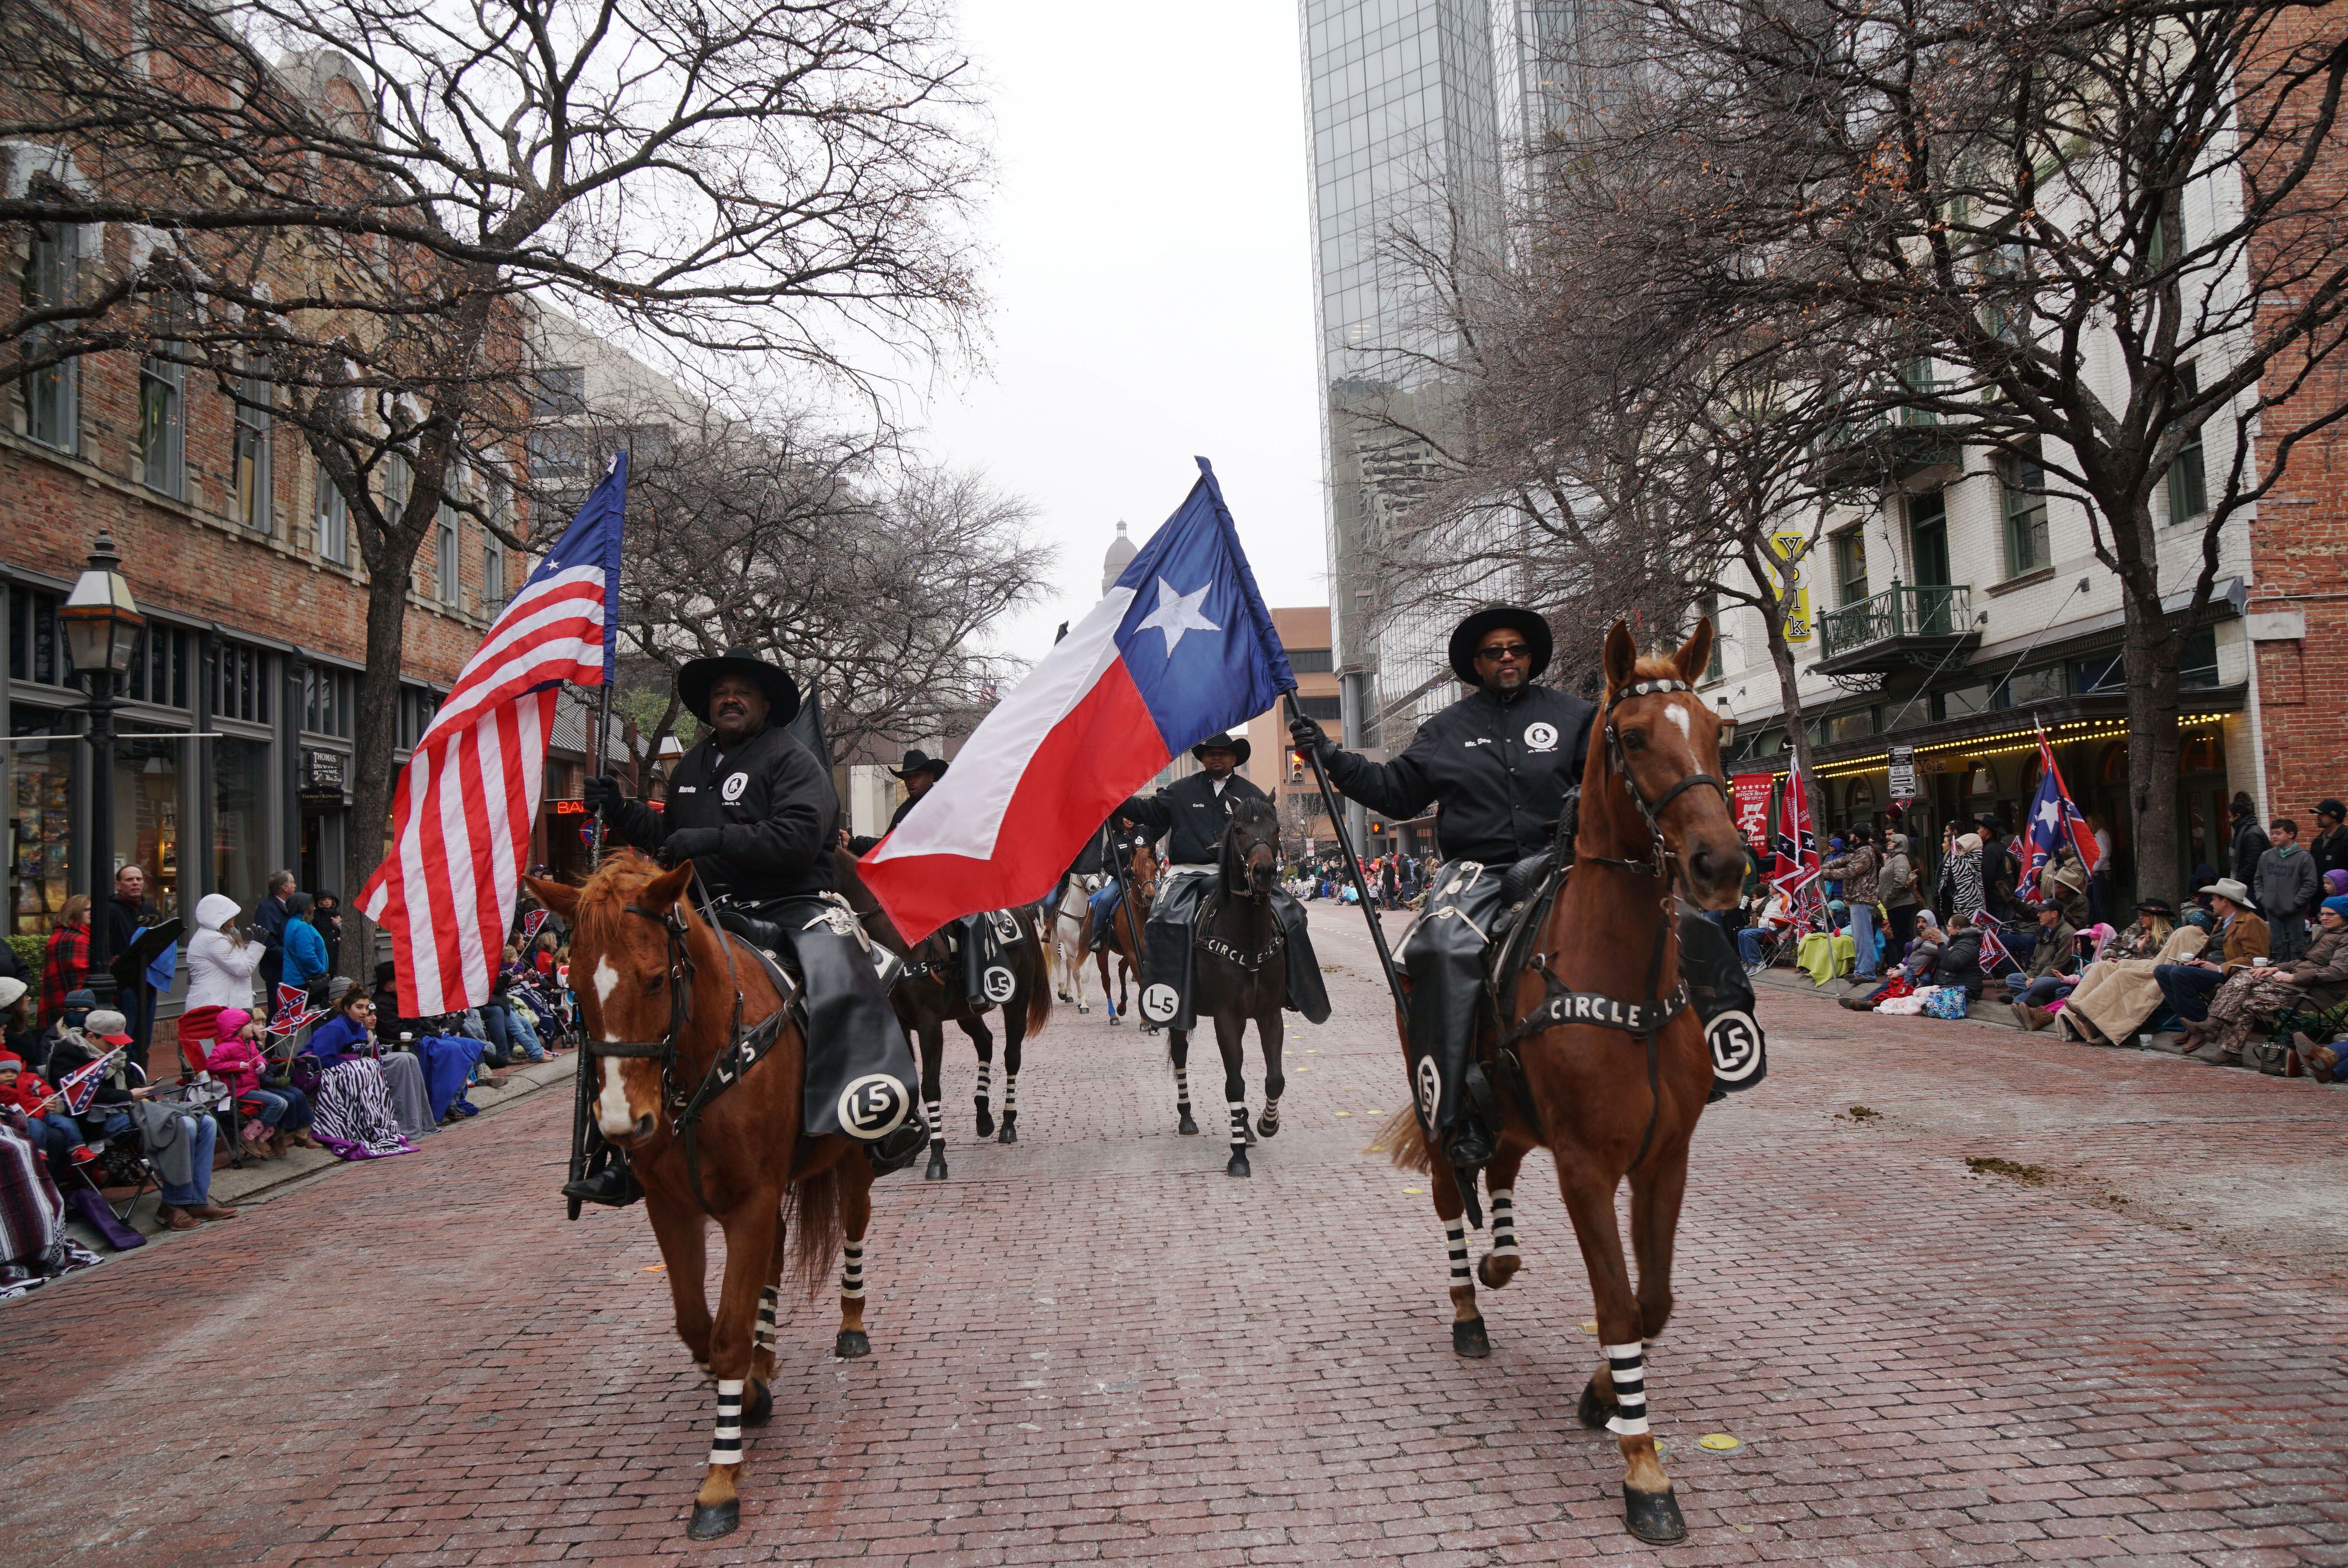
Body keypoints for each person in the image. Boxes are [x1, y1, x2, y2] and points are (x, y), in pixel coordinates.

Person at [580, 645, 921, 1205]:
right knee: (619, 986)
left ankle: (883, 1112)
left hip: (792, 900)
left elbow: (798, 838)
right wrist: (620, 811)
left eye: (740, 692)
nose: (729, 700)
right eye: (719, 693)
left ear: (764, 703)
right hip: (707, 906)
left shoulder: (792, 761)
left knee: (847, 969)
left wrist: (712, 840)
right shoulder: (692, 765)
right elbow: (671, 838)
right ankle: (615, 1147)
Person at [1288, 605, 1599, 1175]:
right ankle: (1458, 1112)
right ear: (1475, 665)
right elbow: (1396, 793)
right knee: (1438, 951)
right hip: (1477, 873)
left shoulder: (1578, 717)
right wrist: (1329, 757)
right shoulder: (1444, 730)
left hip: (1563, 863)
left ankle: (1704, 1048)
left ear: (1530, 657)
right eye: (1493, 651)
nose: (1507, 657)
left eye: (1516, 649)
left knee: (1664, 916)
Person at [1115, 731, 1329, 1034]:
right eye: (1211, 753)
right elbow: (1146, 811)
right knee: (1162, 920)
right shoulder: (1180, 791)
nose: (1217, 757)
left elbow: (1268, 834)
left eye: (1224, 753)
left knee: (1294, 913)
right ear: (1202, 758)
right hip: (1188, 872)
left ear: (1234, 758)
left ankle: (1295, 989)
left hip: (1239, 874)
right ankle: (1166, 993)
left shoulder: (1253, 795)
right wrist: (1113, 797)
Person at [2191, 895, 2348, 1066]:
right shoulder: (2329, 933)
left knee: (2245, 988)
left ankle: (2218, 1029)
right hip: (2300, 983)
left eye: (2330, 914)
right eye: (2322, 914)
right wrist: (2276, 968)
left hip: (2321, 991)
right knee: (2248, 983)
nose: (2324, 918)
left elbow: (2338, 972)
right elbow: (2303, 962)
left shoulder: (2345, 938)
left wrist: (2295, 977)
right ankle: (2223, 1041)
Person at [300, 991, 419, 1159]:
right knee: (364, 1069)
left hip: (347, 1070)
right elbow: (322, 1059)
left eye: (366, 1007)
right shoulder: (336, 1028)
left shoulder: (361, 1028)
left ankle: (373, 1125)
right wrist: (354, 1065)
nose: (364, 1012)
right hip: (319, 1071)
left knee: (371, 1068)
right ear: (347, 1008)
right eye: (359, 1007)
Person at [2156, 878, 2268, 1044]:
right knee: (2162, 971)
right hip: (2213, 970)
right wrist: (2199, 961)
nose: (2211, 903)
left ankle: (2201, 1027)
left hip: (2235, 976)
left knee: (2180, 973)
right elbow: (2216, 950)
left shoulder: (2250, 922)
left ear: (2225, 901)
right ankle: (2191, 1025)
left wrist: (2220, 968)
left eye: (2214, 899)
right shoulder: (2223, 922)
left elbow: (2256, 958)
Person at [202, 1007, 317, 1156]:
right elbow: (212, 1065)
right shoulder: (225, 1048)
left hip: (253, 1086)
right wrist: (236, 1066)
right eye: (248, 1024)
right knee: (278, 1102)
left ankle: (263, 1137)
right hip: (239, 1090)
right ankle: (250, 1135)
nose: (252, 1027)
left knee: (284, 1101)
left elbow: (259, 1057)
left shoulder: (249, 1044)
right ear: (237, 1029)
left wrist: (261, 1064)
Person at [846, 749, 948, 855]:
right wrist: (853, 843)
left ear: (931, 777)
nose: (911, 781)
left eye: (917, 775)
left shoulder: (945, 806)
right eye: (907, 777)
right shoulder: (903, 811)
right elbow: (887, 846)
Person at [2253, 818, 2321, 963]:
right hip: (2272, 910)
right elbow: (2258, 880)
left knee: (2297, 945)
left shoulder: (2304, 857)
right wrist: (2263, 898)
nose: (2274, 837)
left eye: (2278, 833)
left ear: (2290, 834)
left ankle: (2295, 975)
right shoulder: (2266, 856)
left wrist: (2295, 902)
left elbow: (2310, 884)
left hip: (2295, 911)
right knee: (2277, 946)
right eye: (2272, 833)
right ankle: (2279, 975)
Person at [183, 893, 261, 1015]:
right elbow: (243, 968)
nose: (234, 917)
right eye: (230, 914)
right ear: (218, 916)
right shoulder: (212, 939)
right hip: (213, 1008)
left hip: (218, 1005)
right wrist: (258, 945)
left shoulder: (215, 936)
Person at [2006, 902, 2080, 1029]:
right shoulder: (2042, 931)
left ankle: (2017, 1002)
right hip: (2039, 976)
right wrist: (2031, 976)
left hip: (2059, 977)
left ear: (2054, 914)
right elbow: (2034, 960)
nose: (2038, 915)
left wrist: (2037, 979)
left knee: (2038, 984)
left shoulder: (2067, 933)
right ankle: (2036, 999)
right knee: (2012, 979)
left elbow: (2059, 964)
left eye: (2042, 912)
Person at [1822, 827, 1881, 979]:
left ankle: (1867, 973)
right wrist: (1823, 867)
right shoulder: (1858, 852)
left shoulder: (1866, 853)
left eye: (1853, 834)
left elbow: (1850, 871)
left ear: (1858, 836)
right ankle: (1860, 971)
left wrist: (1825, 873)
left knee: (1864, 938)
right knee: (1858, 937)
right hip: (1856, 899)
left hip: (1863, 899)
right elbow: (1841, 861)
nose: (1850, 836)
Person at [38, 895, 90, 1028]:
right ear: (74, 912)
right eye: (86, 910)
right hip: (73, 1011)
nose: (92, 913)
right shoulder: (75, 939)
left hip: (61, 1007)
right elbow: (83, 979)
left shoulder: (66, 935)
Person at [1878, 831, 1923, 960]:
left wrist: (1888, 896)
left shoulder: (1901, 858)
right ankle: (1900, 961)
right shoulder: (1890, 859)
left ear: (1899, 844)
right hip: (1892, 904)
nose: (1889, 843)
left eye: (1892, 841)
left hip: (1901, 903)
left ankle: (1906, 960)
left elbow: (1900, 881)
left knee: (1902, 935)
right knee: (1897, 935)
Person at [254, 870, 297, 998]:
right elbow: (268, 942)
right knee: (277, 1010)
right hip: (276, 970)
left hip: (286, 968)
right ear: (285, 887)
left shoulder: (286, 906)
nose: (295, 886)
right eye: (293, 883)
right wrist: (292, 956)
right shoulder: (267, 908)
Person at [280, 893, 332, 998]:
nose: (314, 908)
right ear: (304, 907)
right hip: (304, 982)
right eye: (312, 905)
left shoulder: (293, 923)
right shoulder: (302, 926)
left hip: (297, 981)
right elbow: (307, 956)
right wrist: (321, 972)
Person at [1942, 831, 1987, 924]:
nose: (1958, 850)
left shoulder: (1959, 862)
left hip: (1964, 907)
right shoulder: (1978, 860)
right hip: (1976, 907)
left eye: (1961, 847)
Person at [2227, 793, 2269, 885]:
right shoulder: (2243, 831)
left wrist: (2238, 880)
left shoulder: (2251, 833)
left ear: (2238, 816)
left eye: (2230, 817)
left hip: (2252, 885)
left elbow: (2254, 862)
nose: (2230, 820)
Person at [2310, 800, 2348, 886]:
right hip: (2318, 896)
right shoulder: (2317, 841)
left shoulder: (2345, 840)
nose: (2318, 817)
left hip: (2340, 895)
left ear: (2334, 817)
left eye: (2322, 814)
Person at [310, 892, 344, 977]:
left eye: (329, 900)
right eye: (324, 900)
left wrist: (340, 937)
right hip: (323, 946)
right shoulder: (316, 915)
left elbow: (343, 931)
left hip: (336, 948)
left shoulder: (337, 914)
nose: (327, 902)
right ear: (320, 902)